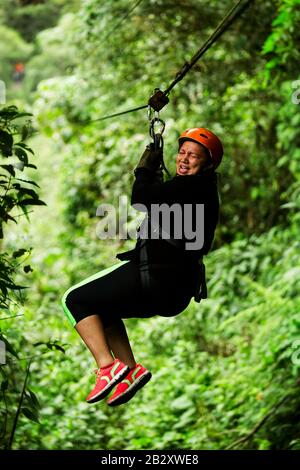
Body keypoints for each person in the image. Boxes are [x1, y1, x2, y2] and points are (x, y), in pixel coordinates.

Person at [61, 127, 223, 407]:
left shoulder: (192, 186)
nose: (184, 159)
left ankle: (107, 366)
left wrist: (144, 170)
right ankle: (130, 370)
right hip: (173, 291)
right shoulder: (201, 190)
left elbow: (141, 198)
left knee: (74, 299)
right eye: (182, 152)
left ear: (207, 164)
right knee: (103, 309)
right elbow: (157, 202)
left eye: (193, 156)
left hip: (157, 277)